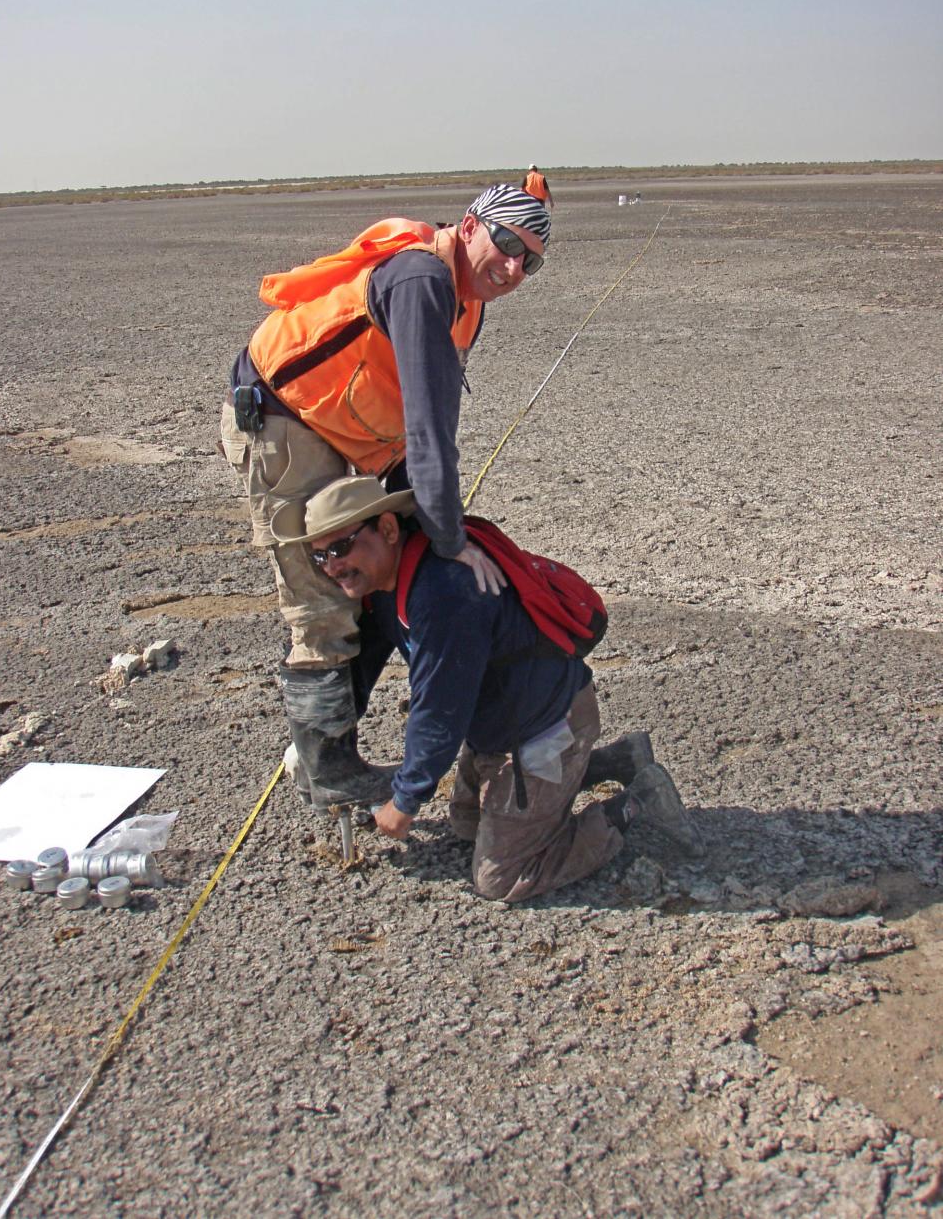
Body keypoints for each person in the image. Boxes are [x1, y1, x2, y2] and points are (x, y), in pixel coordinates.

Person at [220, 183, 552, 810]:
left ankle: (325, 739)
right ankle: (327, 767)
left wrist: (422, 539)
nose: (513, 268)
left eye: (529, 261)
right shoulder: (423, 281)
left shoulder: (467, 300)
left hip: (354, 433)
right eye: (507, 244)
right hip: (285, 421)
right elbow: (430, 431)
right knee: (328, 585)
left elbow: (424, 427)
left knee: (381, 576)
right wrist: (450, 542)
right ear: (471, 225)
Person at [274, 475, 704, 903]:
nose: (332, 566)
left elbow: (439, 711)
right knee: (465, 825)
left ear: (387, 529)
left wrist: (405, 801)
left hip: (543, 727)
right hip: (498, 730)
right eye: (320, 557)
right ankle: (618, 760)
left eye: (341, 547)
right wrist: (322, 736)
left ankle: (637, 805)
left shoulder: (444, 592)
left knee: (503, 877)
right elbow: (362, 669)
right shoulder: (385, 586)